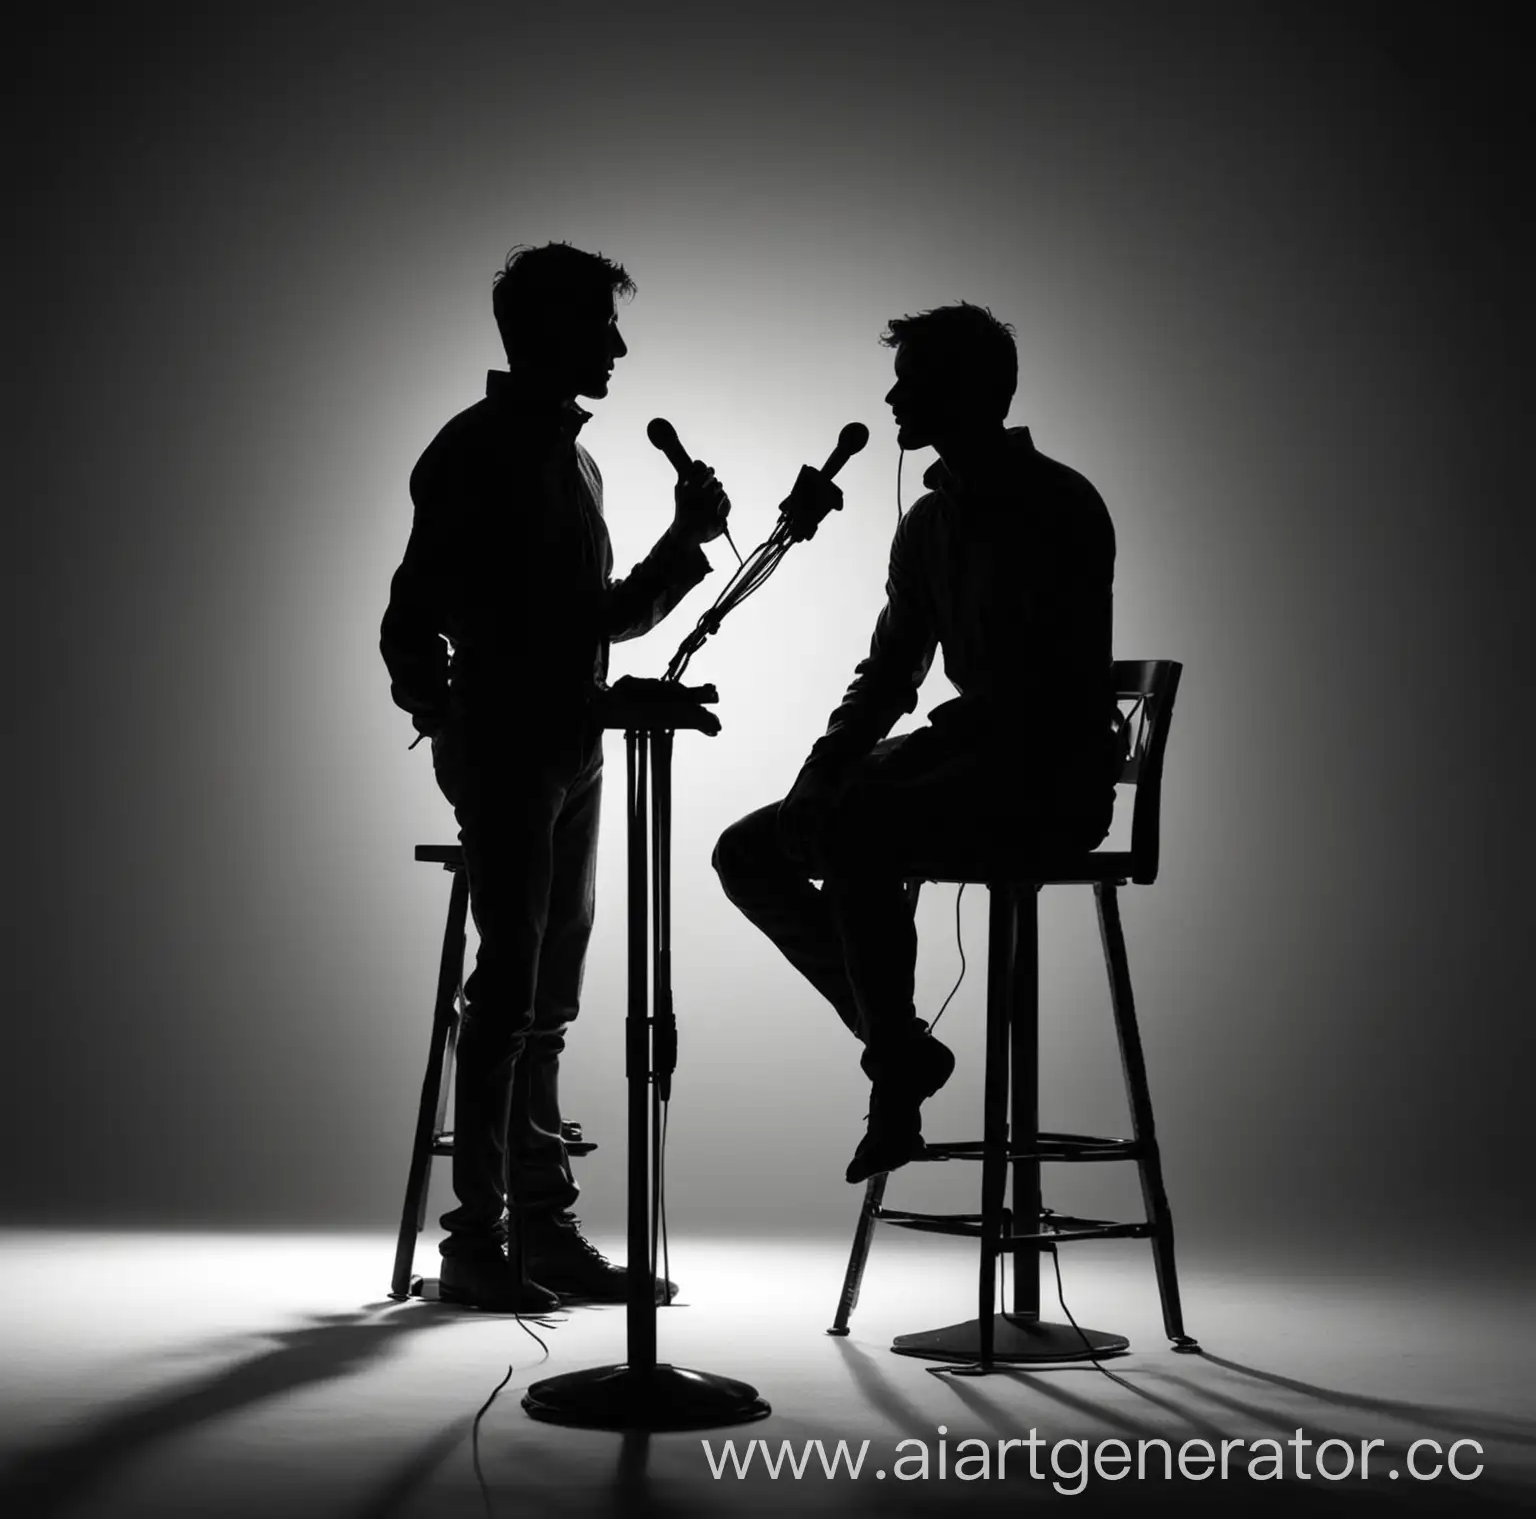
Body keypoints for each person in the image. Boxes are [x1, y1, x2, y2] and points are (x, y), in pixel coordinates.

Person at [381, 242, 729, 1310]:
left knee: (549, 998)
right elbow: (412, 612)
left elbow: (600, 622)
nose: (618, 345)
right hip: (514, 751)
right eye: (599, 325)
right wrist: (451, 715)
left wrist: (684, 543)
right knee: (509, 993)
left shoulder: (577, 462)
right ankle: (476, 1247)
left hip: (572, 747)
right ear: (544, 332)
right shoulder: (477, 451)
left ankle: (542, 1230)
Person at [712, 303, 1124, 1185]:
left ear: (970, 390)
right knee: (750, 850)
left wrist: (893, 772)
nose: (894, 396)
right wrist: (820, 772)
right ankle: (896, 1046)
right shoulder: (927, 526)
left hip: (1051, 777)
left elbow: (1051, 693)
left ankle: (895, 1079)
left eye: (914, 378)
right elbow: (890, 671)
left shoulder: (1061, 504)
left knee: (864, 823)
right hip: (965, 762)